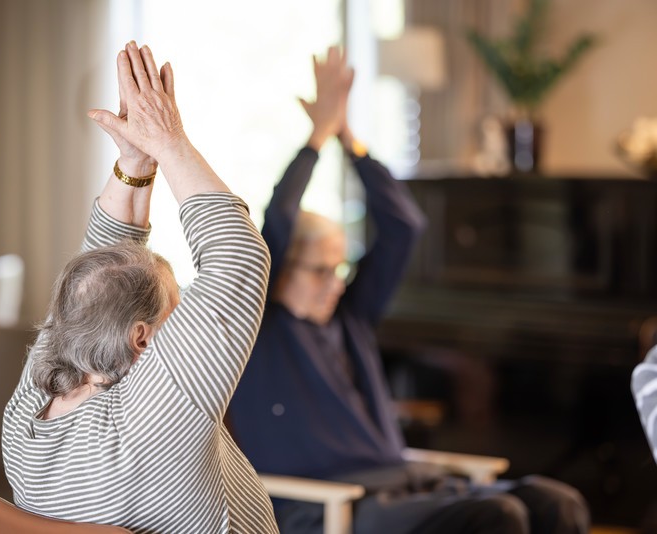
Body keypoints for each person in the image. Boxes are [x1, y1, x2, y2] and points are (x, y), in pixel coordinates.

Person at [227, 46, 590, 534]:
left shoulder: (350, 318)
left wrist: (349, 139)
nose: (336, 284)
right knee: (498, 516)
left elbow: (405, 226)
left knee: (555, 501)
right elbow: (280, 220)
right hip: (335, 505)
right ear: (282, 266)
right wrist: (316, 138)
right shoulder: (257, 326)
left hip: (407, 485)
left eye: (341, 269)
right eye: (320, 270)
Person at [2, 41, 278, 533]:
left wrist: (136, 164)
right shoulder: (158, 410)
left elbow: (95, 277)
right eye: (177, 310)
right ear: (142, 338)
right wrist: (171, 143)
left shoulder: (27, 413)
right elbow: (239, 256)